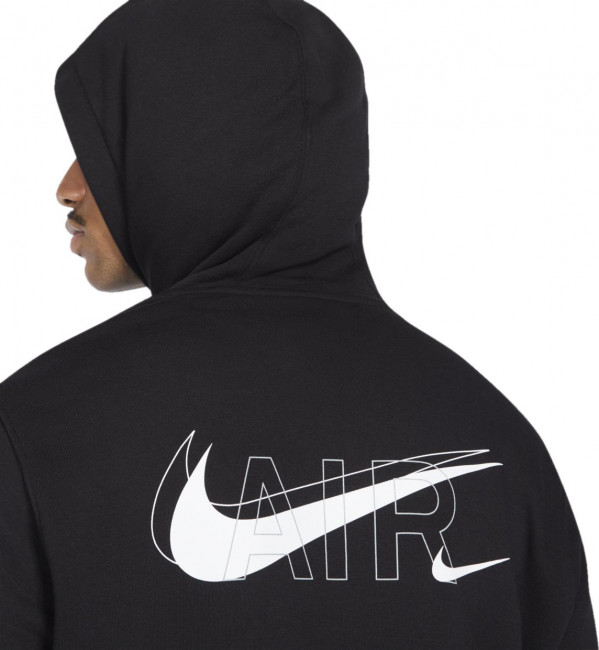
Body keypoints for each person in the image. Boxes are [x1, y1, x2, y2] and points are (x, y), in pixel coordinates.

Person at [0, 0, 596, 647]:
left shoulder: (36, 428)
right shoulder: (498, 444)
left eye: (99, 143)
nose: (68, 187)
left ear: (186, 148)